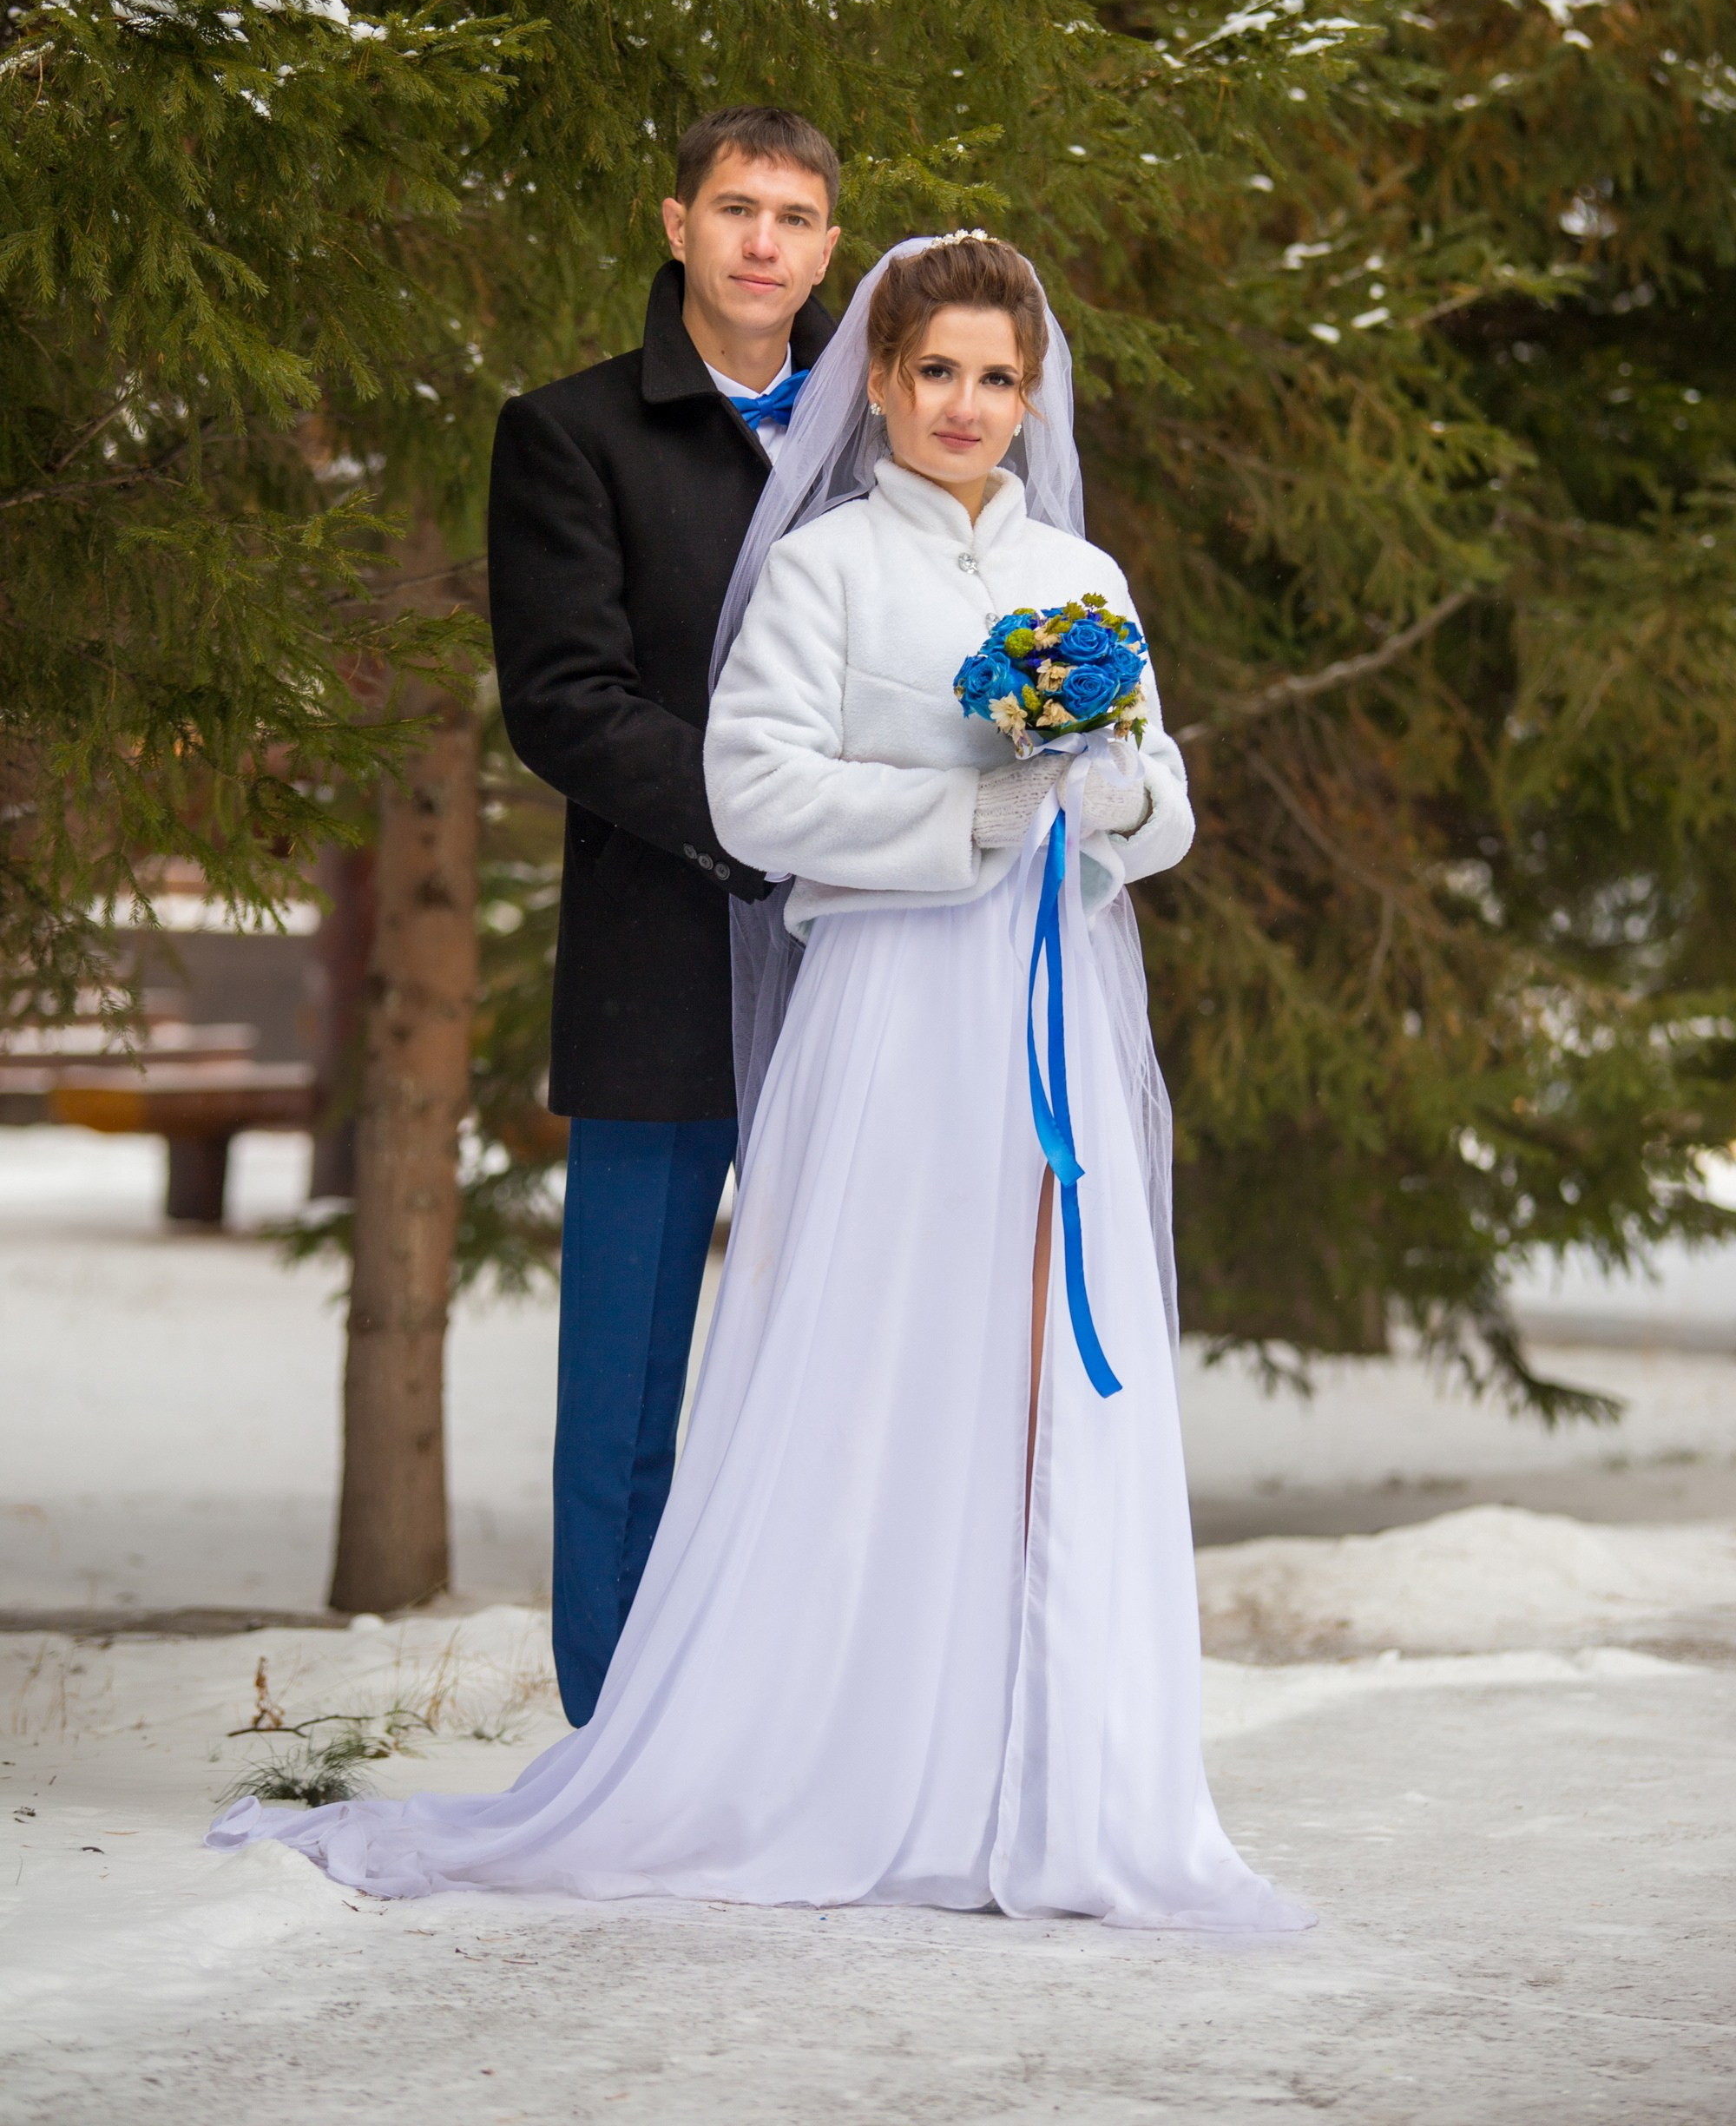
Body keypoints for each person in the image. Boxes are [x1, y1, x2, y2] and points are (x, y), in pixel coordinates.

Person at [210, 236, 1307, 1932]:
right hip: (888, 1008)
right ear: (875, 382)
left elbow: (1160, 804)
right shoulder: (824, 569)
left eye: (992, 378)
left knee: (1030, 1373)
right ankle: (850, 1753)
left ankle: (1039, 1766)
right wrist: (962, 816)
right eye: (931, 372)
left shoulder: (1083, 574)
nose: (961, 406)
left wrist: (1089, 785)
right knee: (876, 1365)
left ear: (1031, 395)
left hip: (1046, 1025)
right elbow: (758, 788)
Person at [483, 107, 839, 1725]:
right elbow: (566, 704)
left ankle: (811, 1712)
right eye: (736, 209)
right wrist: (774, 828)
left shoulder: (889, 432)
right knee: (626, 1377)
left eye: (798, 216)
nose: (765, 242)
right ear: (678, 224)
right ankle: (612, 1727)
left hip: (870, 968)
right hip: (662, 955)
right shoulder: (570, 435)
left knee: (845, 1351)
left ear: (834, 246)